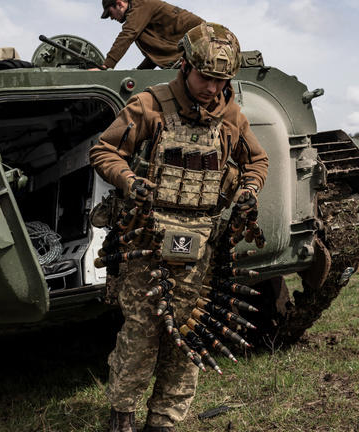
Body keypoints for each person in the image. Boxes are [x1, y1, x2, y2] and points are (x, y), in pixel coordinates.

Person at [89, 22, 268, 432]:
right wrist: (129, 180)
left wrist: (250, 189)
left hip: (202, 241)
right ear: (185, 65)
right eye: (205, 77)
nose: (212, 88)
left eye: (221, 80)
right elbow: (104, 150)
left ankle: (166, 420)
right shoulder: (149, 106)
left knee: (187, 336)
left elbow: (257, 161)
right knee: (142, 330)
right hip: (145, 236)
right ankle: (123, 414)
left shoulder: (231, 115)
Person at [99, 0, 203, 70]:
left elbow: (127, 35)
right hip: (195, 50)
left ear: (120, 4)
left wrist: (106, 66)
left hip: (204, 41)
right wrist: (139, 72)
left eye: (110, 13)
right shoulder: (141, 20)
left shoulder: (140, 6)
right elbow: (158, 53)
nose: (111, 18)